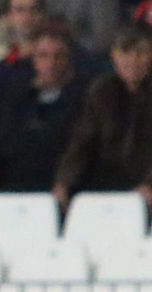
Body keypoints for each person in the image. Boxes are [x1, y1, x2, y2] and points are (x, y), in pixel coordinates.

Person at [54, 24, 152, 209]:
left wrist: (149, 185)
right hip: (104, 186)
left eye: (141, 53)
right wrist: (64, 181)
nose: (133, 60)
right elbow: (82, 141)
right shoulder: (101, 91)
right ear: (113, 56)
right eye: (125, 52)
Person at [0, 24, 86, 194]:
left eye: (58, 56)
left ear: (69, 59)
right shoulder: (16, 96)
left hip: (66, 184)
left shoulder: (84, 96)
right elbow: (6, 143)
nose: (51, 63)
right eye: (43, 56)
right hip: (16, 182)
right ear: (34, 59)